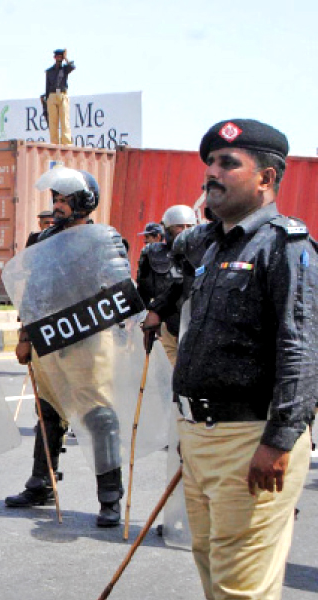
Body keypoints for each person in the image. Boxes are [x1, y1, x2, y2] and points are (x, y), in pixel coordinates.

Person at [174, 119, 317, 600]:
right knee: (215, 576)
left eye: (228, 164)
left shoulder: (285, 246)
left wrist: (278, 441)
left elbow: (302, 347)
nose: (211, 173)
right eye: (209, 163)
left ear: (267, 178)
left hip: (250, 439)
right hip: (200, 438)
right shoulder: (211, 245)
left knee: (241, 591)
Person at [8, 168, 127, 527]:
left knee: (98, 415)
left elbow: (119, 288)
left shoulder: (103, 238)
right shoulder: (41, 240)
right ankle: (41, 482)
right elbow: (32, 291)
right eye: (55, 200)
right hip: (47, 336)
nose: (58, 206)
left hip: (89, 337)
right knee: (46, 412)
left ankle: (110, 498)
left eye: (65, 200)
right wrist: (25, 336)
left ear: (84, 202)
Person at [136, 205, 197, 365]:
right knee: (165, 377)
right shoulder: (153, 254)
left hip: (193, 328)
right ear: (168, 229)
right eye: (179, 226)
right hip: (164, 326)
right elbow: (143, 292)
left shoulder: (205, 254)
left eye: (189, 226)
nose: (184, 231)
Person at [43, 49, 75, 145]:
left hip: (62, 94)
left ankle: (66, 143)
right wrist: (46, 99)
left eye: (60, 57)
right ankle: (54, 143)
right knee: (53, 122)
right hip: (52, 95)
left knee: (65, 120)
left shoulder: (64, 69)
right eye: (57, 57)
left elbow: (72, 66)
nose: (59, 59)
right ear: (54, 58)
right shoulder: (49, 71)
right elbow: (47, 87)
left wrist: (66, 58)